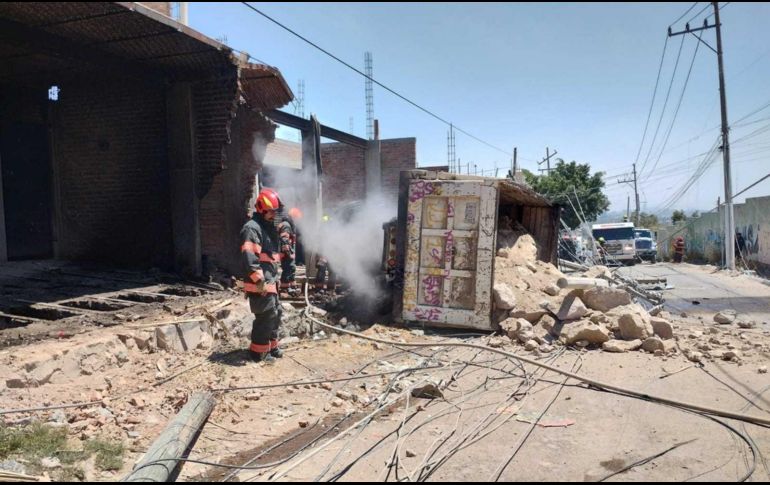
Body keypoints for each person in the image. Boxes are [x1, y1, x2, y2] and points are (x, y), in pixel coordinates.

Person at [240, 188, 284, 363]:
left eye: (275, 211)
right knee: (265, 316)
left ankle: (272, 347)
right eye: (271, 211)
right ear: (261, 209)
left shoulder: (265, 227)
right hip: (260, 283)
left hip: (270, 281)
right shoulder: (252, 229)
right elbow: (250, 257)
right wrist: (259, 281)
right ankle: (257, 353)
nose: (274, 215)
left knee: (275, 313)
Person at [278, 208, 302, 295]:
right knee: (288, 269)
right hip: (286, 253)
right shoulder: (286, 225)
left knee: (291, 268)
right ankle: (285, 289)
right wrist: (288, 253)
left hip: (287, 253)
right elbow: (284, 239)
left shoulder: (285, 224)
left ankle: (291, 287)